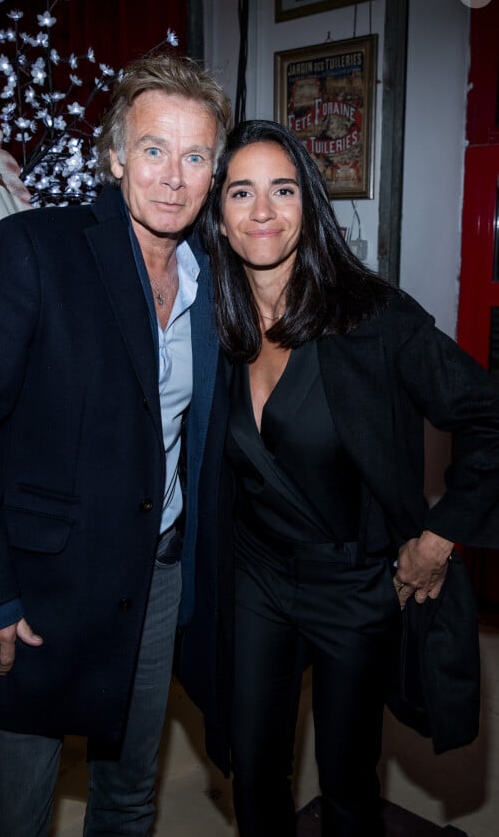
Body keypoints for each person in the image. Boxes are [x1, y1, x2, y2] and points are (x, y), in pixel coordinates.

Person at [0, 54, 231, 837]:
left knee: (128, 795)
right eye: (154, 149)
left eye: (195, 156)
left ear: (213, 171)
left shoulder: (212, 282)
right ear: (117, 155)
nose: (172, 176)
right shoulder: (34, 248)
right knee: (12, 810)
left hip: (155, 576)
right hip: (35, 587)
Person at [197, 119, 499, 836]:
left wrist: (437, 535)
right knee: (254, 769)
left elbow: (489, 416)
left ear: (309, 205)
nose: (263, 211)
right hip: (256, 578)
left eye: (283, 189)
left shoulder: (373, 317)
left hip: (357, 585)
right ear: (220, 214)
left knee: (347, 781)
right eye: (241, 192)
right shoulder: (210, 320)